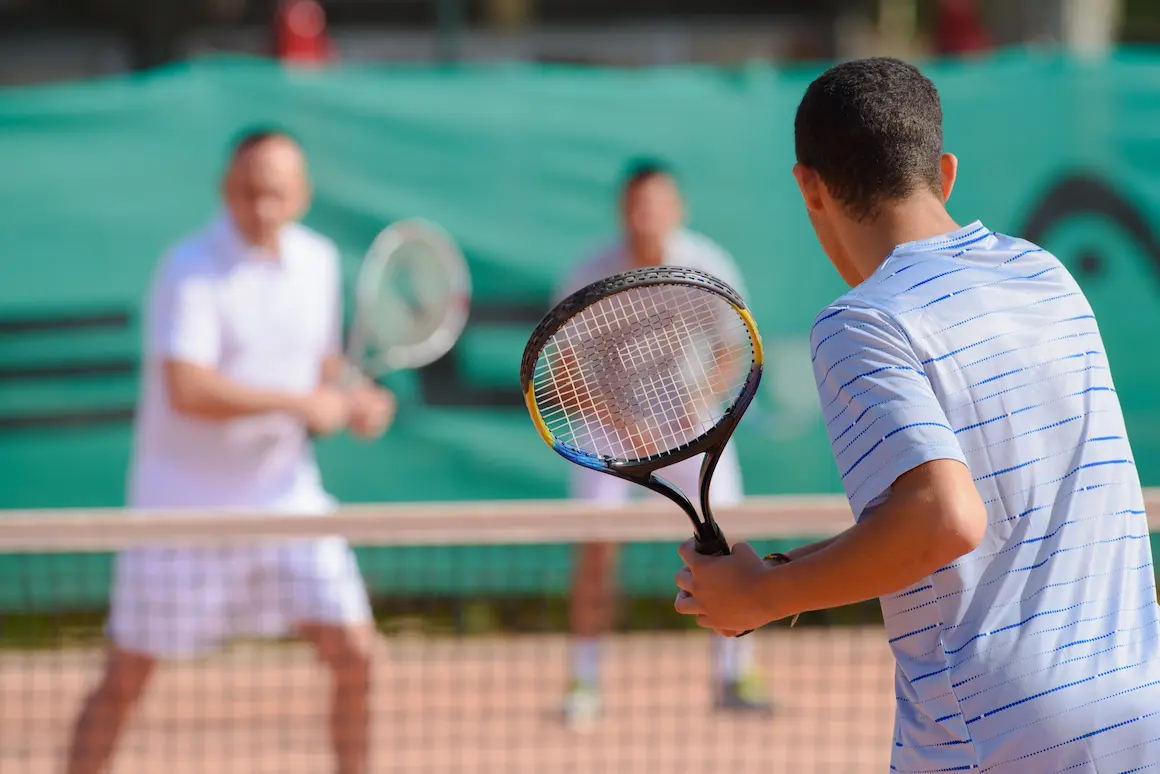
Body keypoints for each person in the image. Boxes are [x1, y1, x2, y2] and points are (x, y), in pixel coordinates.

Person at [673, 57, 1160, 771]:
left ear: (809, 189)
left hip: (1001, 740)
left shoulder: (863, 322)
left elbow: (943, 521)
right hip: (1139, 711)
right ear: (946, 171)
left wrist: (764, 598)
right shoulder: (1044, 275)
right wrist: (780, 571)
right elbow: (968, 518)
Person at [65, 128, 395, 774]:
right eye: (248, 192)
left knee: (358, 658)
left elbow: (322, 360)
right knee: (126, 678)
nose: (261, 207)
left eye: (275, 193)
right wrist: (301, 404)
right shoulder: (189, 267)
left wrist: (354, 395)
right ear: (225, 190)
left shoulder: (319, 261)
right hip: (180, 506)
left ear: (301, 195)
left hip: (285, 499)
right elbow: (186, 387)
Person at [556, 159, 772, 729]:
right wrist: (621, 423)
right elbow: (563, 371)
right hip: (608, 429)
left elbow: (733, 349)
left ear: (677, 210)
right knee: (598, 550)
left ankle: (735, 672)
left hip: (692, 424)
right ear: (623, 211)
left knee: (729, 541)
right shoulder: (589, 273)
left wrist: (695, 404)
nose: (645, 214)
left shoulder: (706, 265)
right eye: (635, 203)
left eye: (657, 203)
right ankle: (584, 680)